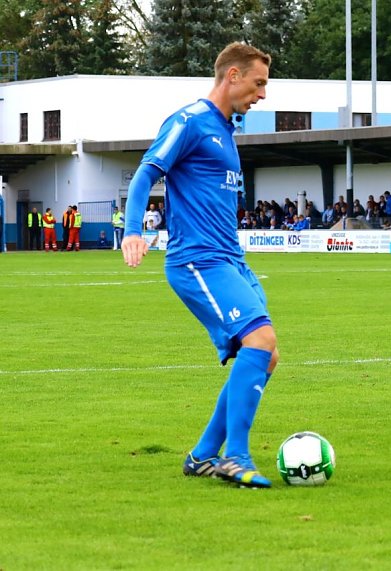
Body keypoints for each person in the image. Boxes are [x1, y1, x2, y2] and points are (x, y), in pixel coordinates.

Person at [121, 42, 278, 488]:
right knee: (261, 338)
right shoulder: (189, 121)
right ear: (231, 75)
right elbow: (145, 173)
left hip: (232, 259)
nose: (262, 94)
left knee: (266, 355)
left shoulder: (227, 131)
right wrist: (134, 229)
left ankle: (204, 454)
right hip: (198, 261)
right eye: (258, 82)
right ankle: (237, 456)